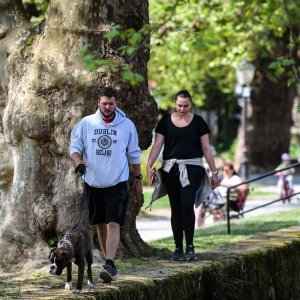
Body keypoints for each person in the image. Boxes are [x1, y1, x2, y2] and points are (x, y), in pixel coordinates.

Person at [69, 87, 143, 283]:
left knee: (113, 223)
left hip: (116, 181)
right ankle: (109, 264)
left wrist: (138, 178)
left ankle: (109, 263)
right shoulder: (86, 123)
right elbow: (74, 147)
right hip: (93, 181)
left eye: (111, 104)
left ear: (116, 104)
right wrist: (79, 163)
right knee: (100, 224)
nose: (108, 107)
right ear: (98, 103)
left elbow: (134, 154)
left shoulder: (126, 125)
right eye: (104, 104)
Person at [146, 89, 219, 261]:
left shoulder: (199, 122)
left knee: (187, 204)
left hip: (192, 168)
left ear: (190, 104)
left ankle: (190, 246)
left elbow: (206, 148)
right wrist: (149, 165)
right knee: (176, 208)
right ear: (174, 103)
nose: (182, 108)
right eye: (179, 105)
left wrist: (214, 172)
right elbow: (157, 145)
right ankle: (178, 247)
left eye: (186, 105)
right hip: (171, 169)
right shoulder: (165, 122)